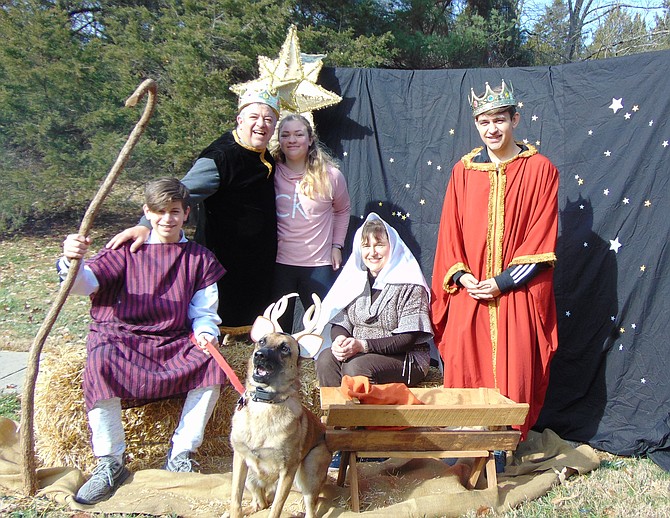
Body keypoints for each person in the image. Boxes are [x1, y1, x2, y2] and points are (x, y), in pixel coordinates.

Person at [58, 178, 227, 504]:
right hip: (120, 338)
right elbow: (84, 284)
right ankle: (110, 461)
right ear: (147, 213)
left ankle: (181, 453)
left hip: (171, 341)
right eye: (160, 211)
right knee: (99, 362)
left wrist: (206, 333)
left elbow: (204, 312)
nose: (168, 219)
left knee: (209, 363)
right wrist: (71, 261)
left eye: (175, 211)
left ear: (186, 212)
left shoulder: (199, 258)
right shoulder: (124, 250)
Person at [431, 80, 559, 440]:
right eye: (484, 122)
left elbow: (541, 239)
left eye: (499, 120)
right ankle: (467, 441)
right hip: (469, 292)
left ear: (515, 119)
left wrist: (501, 283)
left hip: (515, 294)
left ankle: (504, 443)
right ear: (476, 124)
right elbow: (449, 234)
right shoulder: (463, 172)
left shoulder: (541, 170)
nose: (492, 129)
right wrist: (462, 276)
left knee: (513, 371)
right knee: (463, 365)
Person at [106, 88, 280, 328]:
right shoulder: (219, 158)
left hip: (255, 261)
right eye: (254, 117)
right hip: (225, 259)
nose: (261, 124)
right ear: (240, 120)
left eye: (268, 119)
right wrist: (145, 226)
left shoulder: (264, 155)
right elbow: (181, 194)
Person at [315, 212, 433, 387]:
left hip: (405, 358)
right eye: (366, 246)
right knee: (326, 359)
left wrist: (362, 345)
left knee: (356, 368)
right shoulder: (355, 281)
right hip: (359, 352)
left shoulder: (410, 284)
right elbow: (341, 323)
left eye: (379, 245)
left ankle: (362, 414)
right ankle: (336, 412)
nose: (372, 253)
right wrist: (340, 340)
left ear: (392, 247)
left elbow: (407, 338)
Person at [271, 114, 350, 332]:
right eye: (285, 135)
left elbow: (342, 210)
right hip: (279, 264)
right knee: (278, 331)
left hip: (318, 265)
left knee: (321, 329)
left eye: (298, 134)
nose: (292, 140)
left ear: (310, 139)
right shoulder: (270, 173)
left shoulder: (331, 176)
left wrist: (337, 245)